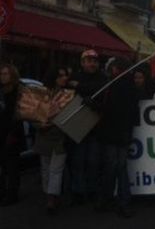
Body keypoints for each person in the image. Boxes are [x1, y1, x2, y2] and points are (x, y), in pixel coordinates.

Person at [96, 58, 139, 218]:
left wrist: (94, 105)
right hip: (122, 133)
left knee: (113, 167)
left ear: (115, 69)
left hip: (113, 132)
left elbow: (110, 108)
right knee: (119, 167)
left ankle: (110, 200)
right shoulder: (128, 85)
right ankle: (122, 202)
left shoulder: (116, 85)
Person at [67, 49, 107, 204]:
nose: (92, 64)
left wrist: (81, 87)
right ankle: (77, 191)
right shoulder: (74, 77)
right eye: (89, 61)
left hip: (95, 128)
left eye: (95, 61)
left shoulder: (102, 78)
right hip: (77, 126)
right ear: (82, 62)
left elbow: (101, 90)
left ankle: (92, 190)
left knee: (93, 161)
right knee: (77, 161)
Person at [33, 67, 71, 214]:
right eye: (61, 76)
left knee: (55, 169)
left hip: (59, 137)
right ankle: (50, 194)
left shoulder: (67, 94)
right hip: (46, 135)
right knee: (46, 167)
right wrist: (39, 125)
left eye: (65, 75)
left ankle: (51, 196)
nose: (64, 78)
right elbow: (33, 113)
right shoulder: (42, 94)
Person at [0, 63, 25, 206]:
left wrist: (13, 132)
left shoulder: (18, 91)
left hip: (12, 133)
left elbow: (20, 114)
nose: (3, 77)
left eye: (5, 74)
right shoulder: (1, 91)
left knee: (12, 166)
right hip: (1, 132)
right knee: (2, 166)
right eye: (1, 74)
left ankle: (12, 194)